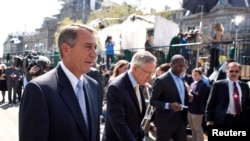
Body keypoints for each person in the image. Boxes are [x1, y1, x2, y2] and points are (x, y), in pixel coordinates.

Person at [19, 23, 100, 141]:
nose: (94, 54)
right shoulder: (38, 90)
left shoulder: (93, 86)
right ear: (66, 49)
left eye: (95, 47)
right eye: (88, 46)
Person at [102, 51, 157, 141]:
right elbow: (118, 123)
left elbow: (135, 119)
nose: (150, 77)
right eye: (147, 73)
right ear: (135, 68)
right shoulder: (116, 87)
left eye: (152, 73)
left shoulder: (137, 82)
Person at [150, 54, 192, 141]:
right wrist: (169, 105)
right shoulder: (161, 80)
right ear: (171, 64)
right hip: (165, 122)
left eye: (183, 65)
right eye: (180, 65)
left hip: (180, 120)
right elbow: (153, 101)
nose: (182, 68)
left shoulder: (181, 78)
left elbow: (178, 96)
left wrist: (188, 97)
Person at [205, 62, 250, 126]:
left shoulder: (244, 86)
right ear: (227, 72)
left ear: (240, 73)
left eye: (236, 71)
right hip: (224, 119)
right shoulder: (218, 85)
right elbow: (210, 103)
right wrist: (209, 119)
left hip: (240, 119)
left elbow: (247, 103)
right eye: (231, 71)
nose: (234, 73)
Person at [187, 68, 209, 141]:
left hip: (197, 110)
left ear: (200, 75)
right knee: (192, 128)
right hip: (191, 108)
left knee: (198, 128)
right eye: (193, 75)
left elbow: (199, 96)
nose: (194, 76)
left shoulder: (203, 84)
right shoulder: (193, 83)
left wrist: (189, 91)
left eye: (196, 75)